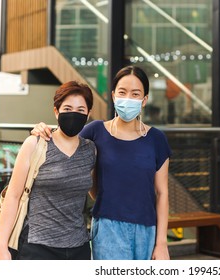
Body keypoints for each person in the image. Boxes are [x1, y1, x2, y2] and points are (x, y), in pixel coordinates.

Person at [32, 66, 172, 260]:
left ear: (144, 100)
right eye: (122, 92)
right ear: (113, 96)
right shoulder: (96, 131)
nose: (128, 98)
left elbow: (162, 192)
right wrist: (41, 129)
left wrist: (162, 243)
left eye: (135, 94)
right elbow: (63, 139)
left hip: (147, 230)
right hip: (107, 228)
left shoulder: (156, 139)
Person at [0, 81, 96, 260]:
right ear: (56, 111)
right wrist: (1, 246)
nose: (74, 114)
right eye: (67, 108)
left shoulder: (90, 150)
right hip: (37, 247)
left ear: (88, 114)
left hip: (78, 248)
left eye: (80, 110)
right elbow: (13, 196)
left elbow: (95, 191)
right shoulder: (35, 144)